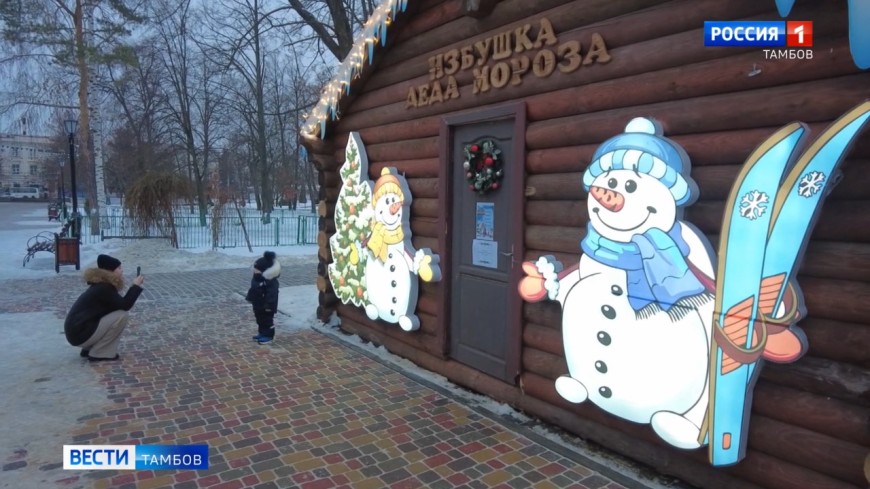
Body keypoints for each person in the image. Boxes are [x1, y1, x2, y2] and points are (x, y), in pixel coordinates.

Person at [64, 254, 144, 362]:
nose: (122, 271)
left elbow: (116, 305)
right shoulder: (103, 288)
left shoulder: (101, 285)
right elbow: (125, 305)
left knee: (113, 313)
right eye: (119, 268)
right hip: (79, 334)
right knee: (121, 316)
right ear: (110, 271)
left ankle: (89, 348)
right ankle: (100, 353)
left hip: (76, 332)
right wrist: (135, 286)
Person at [246, 251, 281, 344]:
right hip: (257, 304)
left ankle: (269, 335)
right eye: (255, 268)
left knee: (267, 321)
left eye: (257, 269)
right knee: (259, 319)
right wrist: (250, 297)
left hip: (266, 306)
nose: (255, 270)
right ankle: (262, 333)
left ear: (265, 270)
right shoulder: (257, 278)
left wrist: (269, 306)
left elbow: (272, 294)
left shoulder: (271, 282)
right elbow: (253, 288)